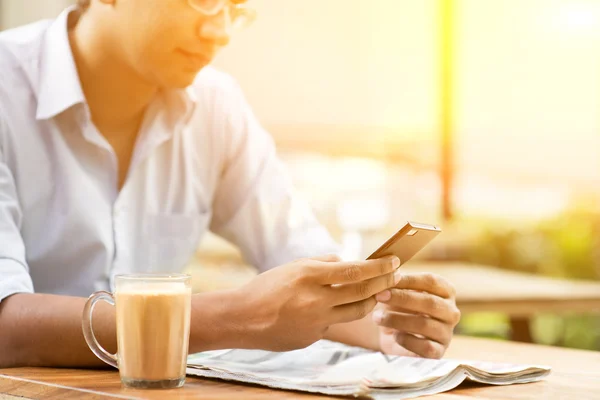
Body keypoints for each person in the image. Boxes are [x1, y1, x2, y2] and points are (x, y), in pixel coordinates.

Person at [0, 0, 460, 368]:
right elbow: (5, 328)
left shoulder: (215, 105)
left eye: (235, 6)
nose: (219, 32)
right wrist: (234, 318)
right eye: (201, 1)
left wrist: (378, 324)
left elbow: (299, 258)